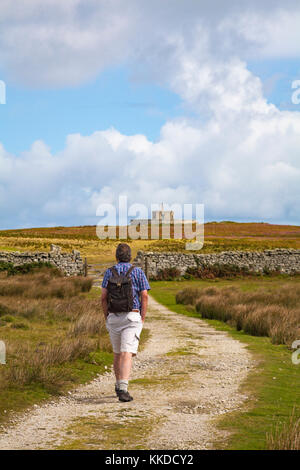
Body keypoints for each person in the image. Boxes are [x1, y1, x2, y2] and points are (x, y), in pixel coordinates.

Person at [101, 243, 150, 402]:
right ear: (130, 256)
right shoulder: (137, 272)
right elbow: (144, 296)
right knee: (126, 352)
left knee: (117, 353)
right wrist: (142, 317)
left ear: (116, 256)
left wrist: (106, 316)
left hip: (114, 316)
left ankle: (118, 384)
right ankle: (123, 388)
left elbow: (103, 297)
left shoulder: (109, 272)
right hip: (132, 316)